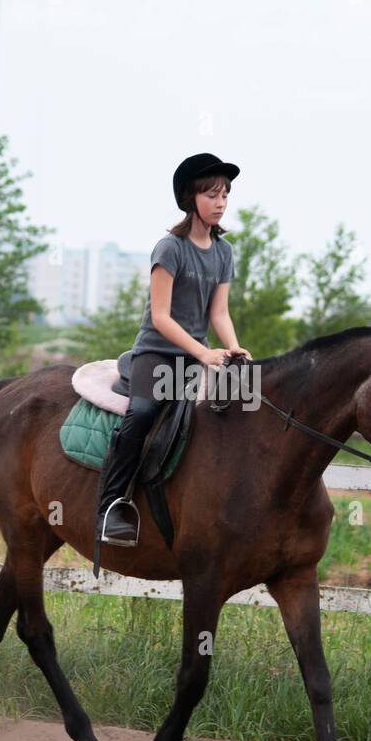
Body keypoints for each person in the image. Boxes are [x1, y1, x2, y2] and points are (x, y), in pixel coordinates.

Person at [94, 152, 251, 550]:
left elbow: (219, 312)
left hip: (199, 356)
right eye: (212, 194)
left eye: (226, 195)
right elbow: (161, 317)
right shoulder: (170, 248)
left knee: (245, 403)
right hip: (156, 355)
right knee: (144, 412)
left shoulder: (224, 252)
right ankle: (111, 505)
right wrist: (203, 353)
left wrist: (232, 348)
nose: (221, 203)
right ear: (190, 198)